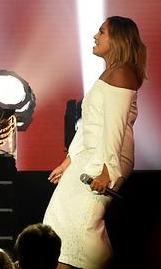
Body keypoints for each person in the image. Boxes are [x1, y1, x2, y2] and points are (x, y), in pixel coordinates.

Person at [43, 16, 147, 268]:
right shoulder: (111, 73)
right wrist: (69, 160)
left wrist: (107, 170)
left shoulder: (122, 73)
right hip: (88, 156)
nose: (95, 36)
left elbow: (115, 127)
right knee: (57, 222)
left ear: (118, 40)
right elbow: (90, 125)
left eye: (102, 32)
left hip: (104, 159)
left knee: (82, 226)